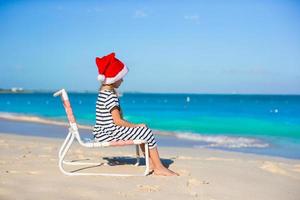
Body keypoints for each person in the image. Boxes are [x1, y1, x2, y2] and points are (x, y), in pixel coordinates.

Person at [93, 52, 178, 176]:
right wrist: (136, 125)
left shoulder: (102, 93)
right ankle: (159, 167)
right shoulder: (110, 96)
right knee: (145, 131)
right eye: (120, 77)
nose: (122, 80)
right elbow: (117, 121)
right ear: (114, 78)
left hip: (101, 131)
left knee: (142, 131)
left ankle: (150, 163)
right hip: (107, 133)